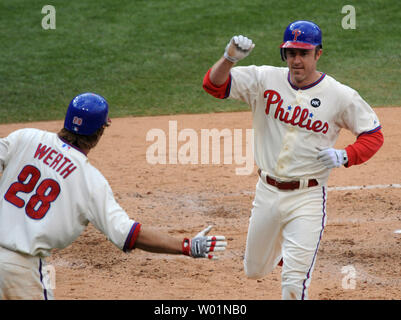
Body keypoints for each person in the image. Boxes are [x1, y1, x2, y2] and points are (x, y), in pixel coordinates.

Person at [202, 20, 383, 300]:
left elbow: (373, 135)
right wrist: (229, 59)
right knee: (254, 269)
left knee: (293, 283)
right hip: (267, 192)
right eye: (291, 53)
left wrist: (345, 155)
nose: (296, 60)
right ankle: (291, 248)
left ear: (318, 54)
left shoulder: (339, 95)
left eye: (303, 53)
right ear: (284, 54)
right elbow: (213, 86)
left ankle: (298, 252)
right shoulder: (264, 79)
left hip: (308, 197)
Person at [0, 92, 227, 300]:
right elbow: (129, 234)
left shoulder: (25, 137)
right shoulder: (91, 181)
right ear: (99, 132)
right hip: (20, 272)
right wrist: (186, 246)